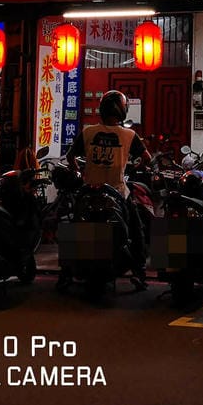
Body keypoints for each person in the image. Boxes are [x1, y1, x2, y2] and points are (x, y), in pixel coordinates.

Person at [65, 90, 152, 277]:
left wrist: (78, 171)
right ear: (122, 110)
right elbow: (147, 158)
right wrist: (134, 168)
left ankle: (66, 273)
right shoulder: (129, 135)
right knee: (136, 230)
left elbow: (70, 156)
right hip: (117, 192)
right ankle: (140, 270)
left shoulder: (88, 132)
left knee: (73, 226)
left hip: (89, 191)